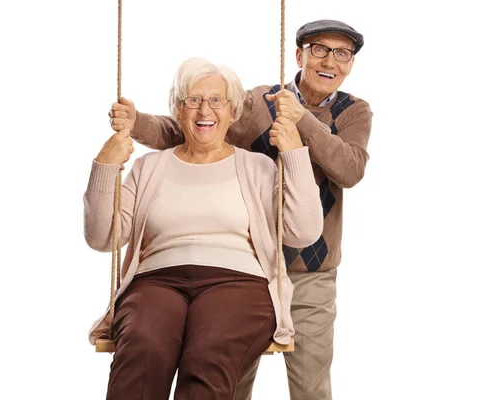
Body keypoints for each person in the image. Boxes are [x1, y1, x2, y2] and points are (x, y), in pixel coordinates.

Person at [109, 19, 373, 399]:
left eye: (342, 53)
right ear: (299, 56)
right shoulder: (259, 103)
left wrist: (303, 123)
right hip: (247, 266)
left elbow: (349, 169)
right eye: (319, 49)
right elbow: (195, 127)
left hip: (310, 269)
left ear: (350, 64)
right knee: (226, 373)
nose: (330, 61)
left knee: (310, 383)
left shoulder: (354, 112)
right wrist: (138, 125)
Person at [85, 57, 323, 399]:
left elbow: (303, 232)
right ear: (178, 110)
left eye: (216, 100)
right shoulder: (149, 167)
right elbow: (101, 236)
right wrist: (106, 165)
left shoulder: (258, 167)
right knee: (143, 348)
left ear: (233, 111)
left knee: (208, 354)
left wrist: (294, 152)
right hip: (155, 282)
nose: (204, 110)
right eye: (192, 100)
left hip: (238, 281)